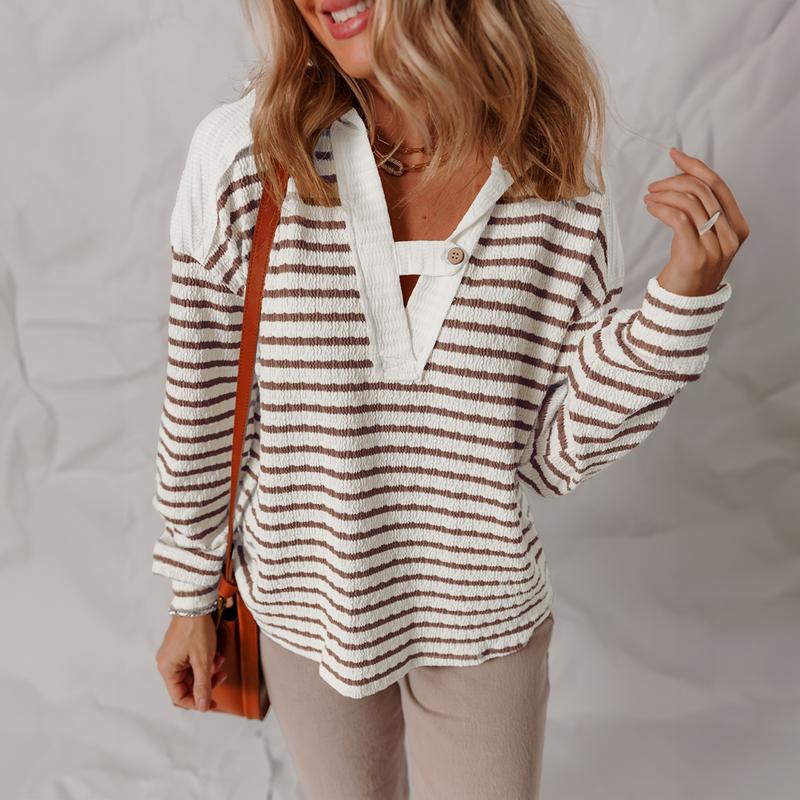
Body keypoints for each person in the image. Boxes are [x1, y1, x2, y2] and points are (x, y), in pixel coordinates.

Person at [152, 1, 750, 797]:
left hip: (481, 618)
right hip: (302, 602)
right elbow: (201, 400)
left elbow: (548, 450)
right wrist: (192, 594)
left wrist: (680, 306)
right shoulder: (247, 154)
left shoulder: (550, 171)